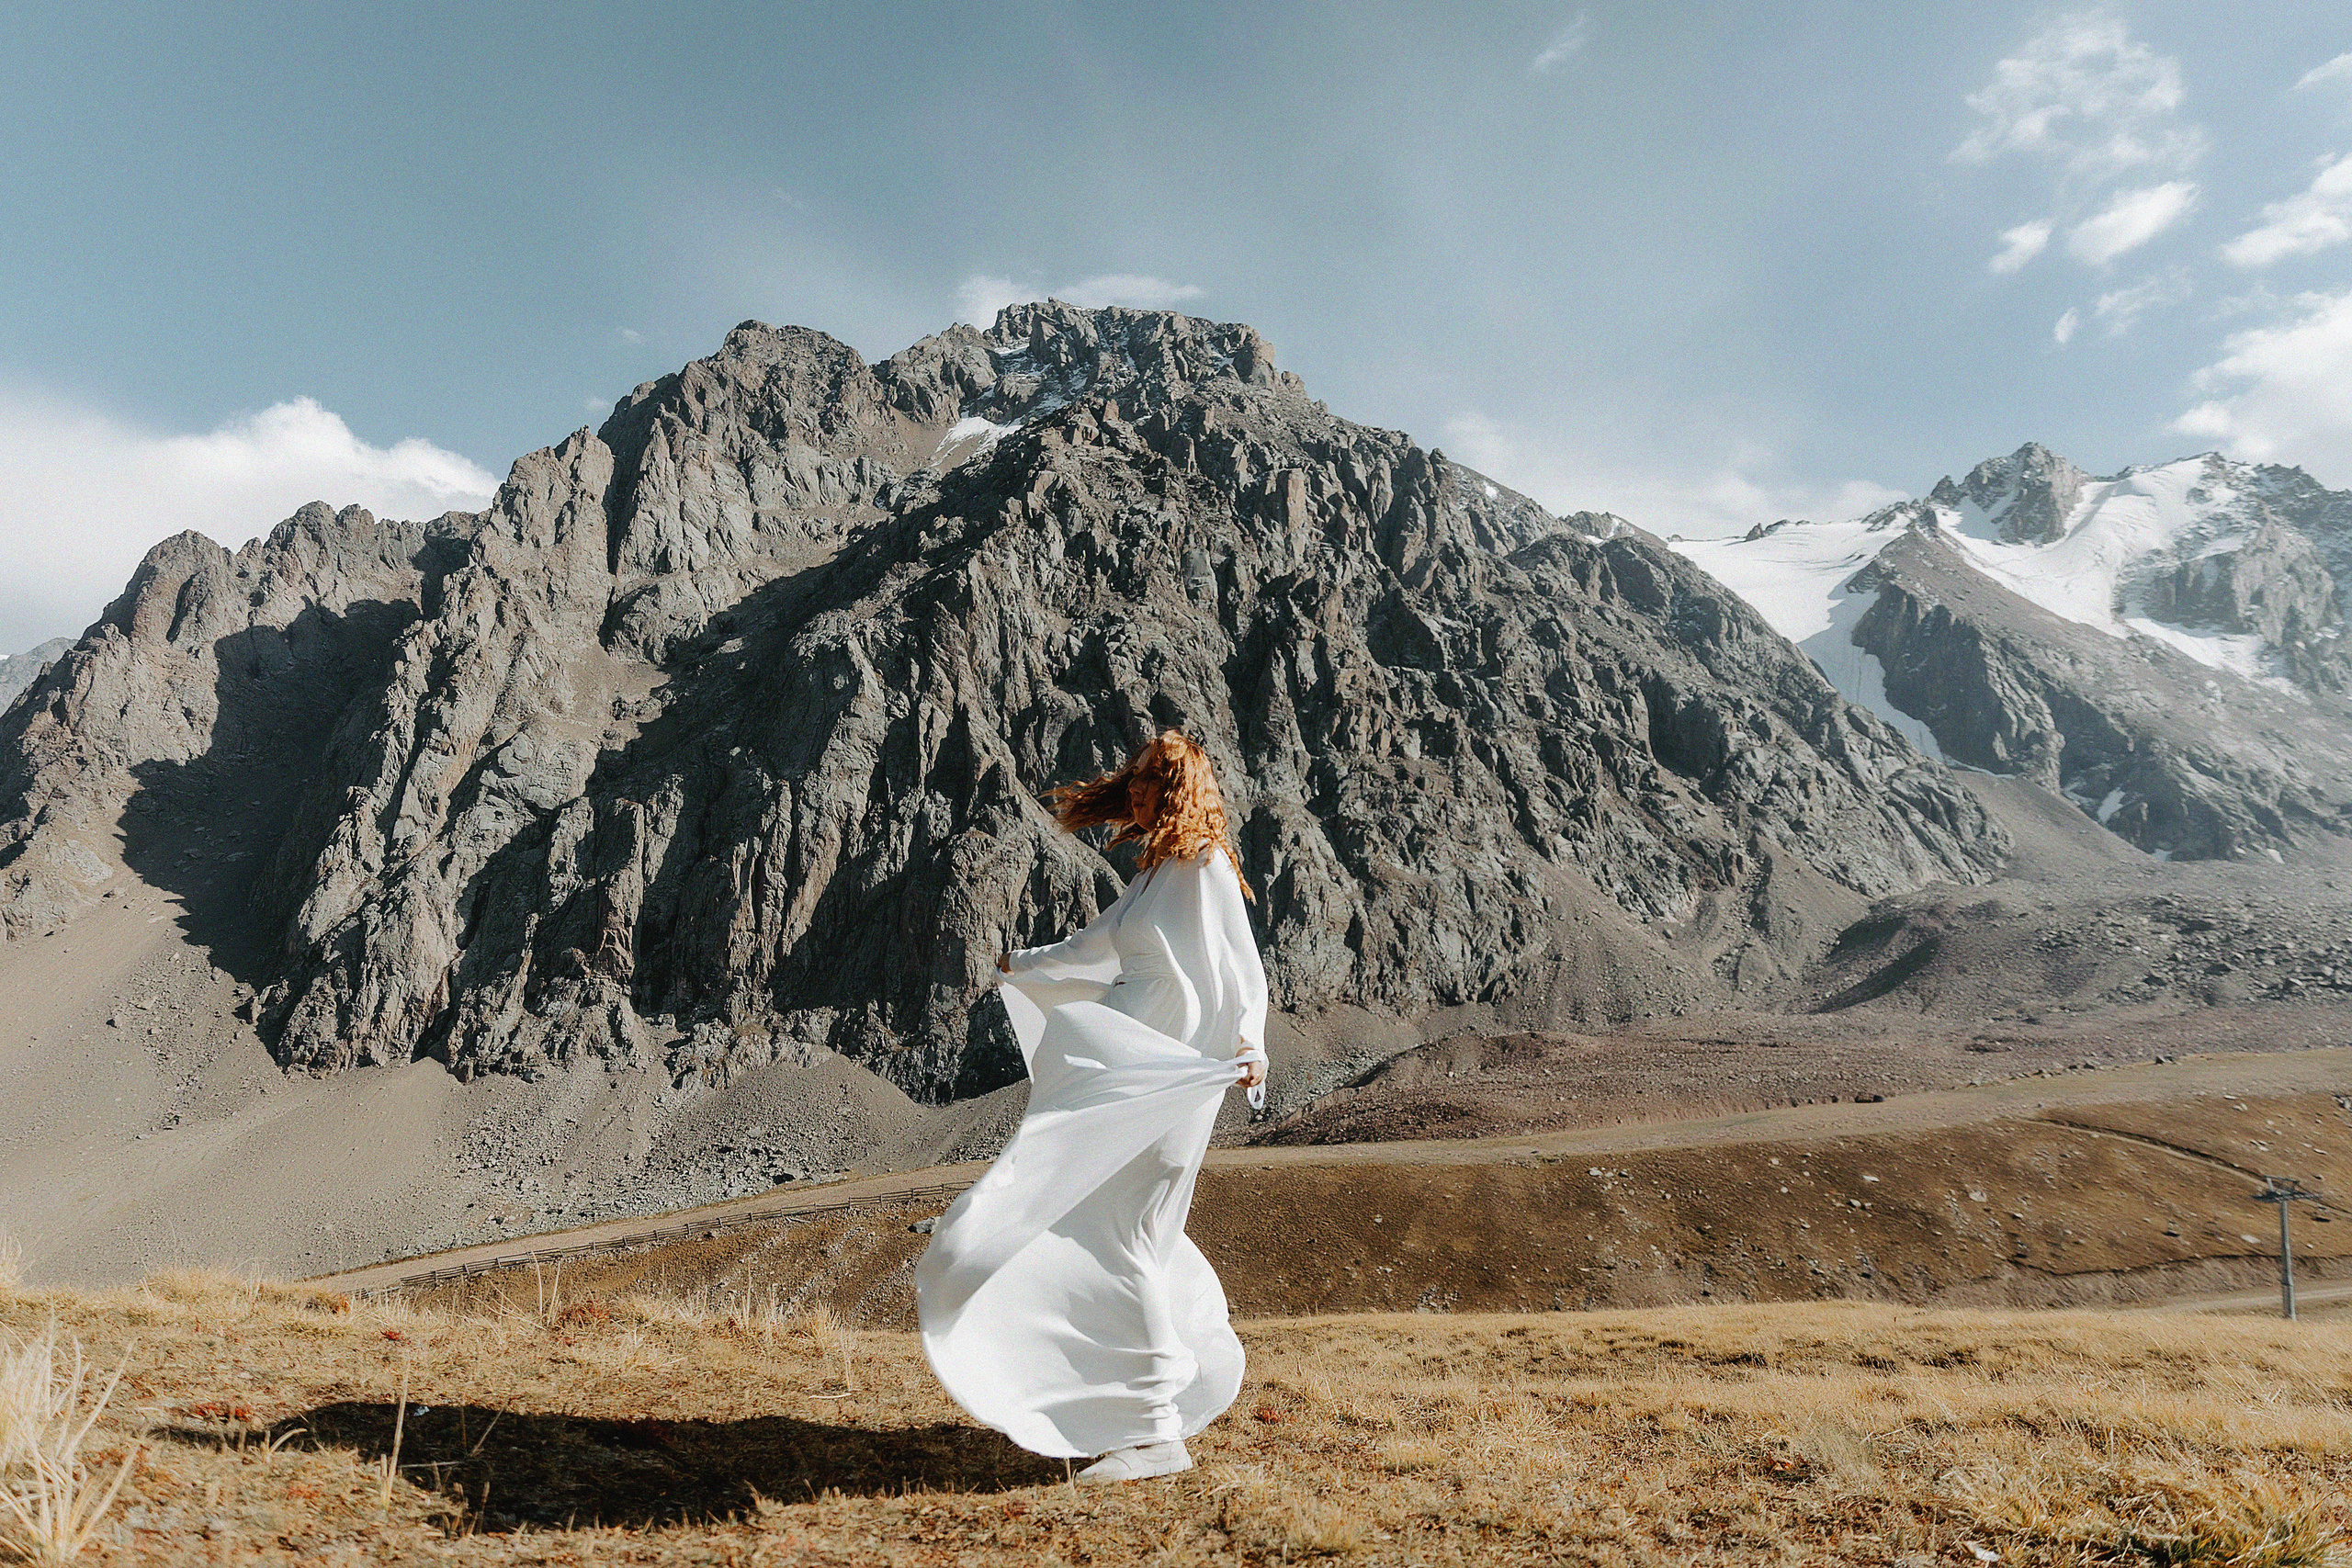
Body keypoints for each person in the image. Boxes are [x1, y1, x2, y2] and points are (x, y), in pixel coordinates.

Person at [915, 730, 1270, 1482]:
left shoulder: (1204, 866)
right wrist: (1024, 964)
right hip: (1124, 1069)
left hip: (1166, 1077)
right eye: (1133, 776)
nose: (1137, 789)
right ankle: (1137, 1408)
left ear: (1182, 787)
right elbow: (1093, 946)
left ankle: (1151, 1432)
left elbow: (1246, 966)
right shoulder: (1151, 876)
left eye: (1153, 778)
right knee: (1109, 1231)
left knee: (1125, 1235)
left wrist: (1252, 1043)